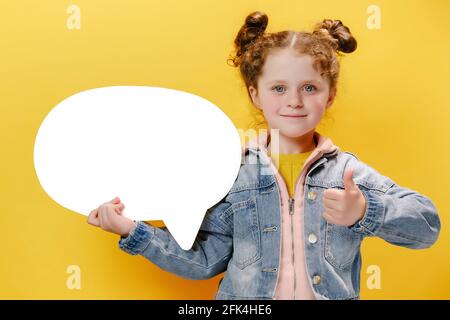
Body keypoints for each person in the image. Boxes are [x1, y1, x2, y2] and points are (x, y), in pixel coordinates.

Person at [87, 11, 441, 300]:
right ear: (256, 94)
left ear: (329, 95)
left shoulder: (348, 174)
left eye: (309, 87)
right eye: (279, 88)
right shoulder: (232, 173)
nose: (295, 101)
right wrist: (132, 230)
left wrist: (366, 210)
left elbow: (427, 226)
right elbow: (203, 261)